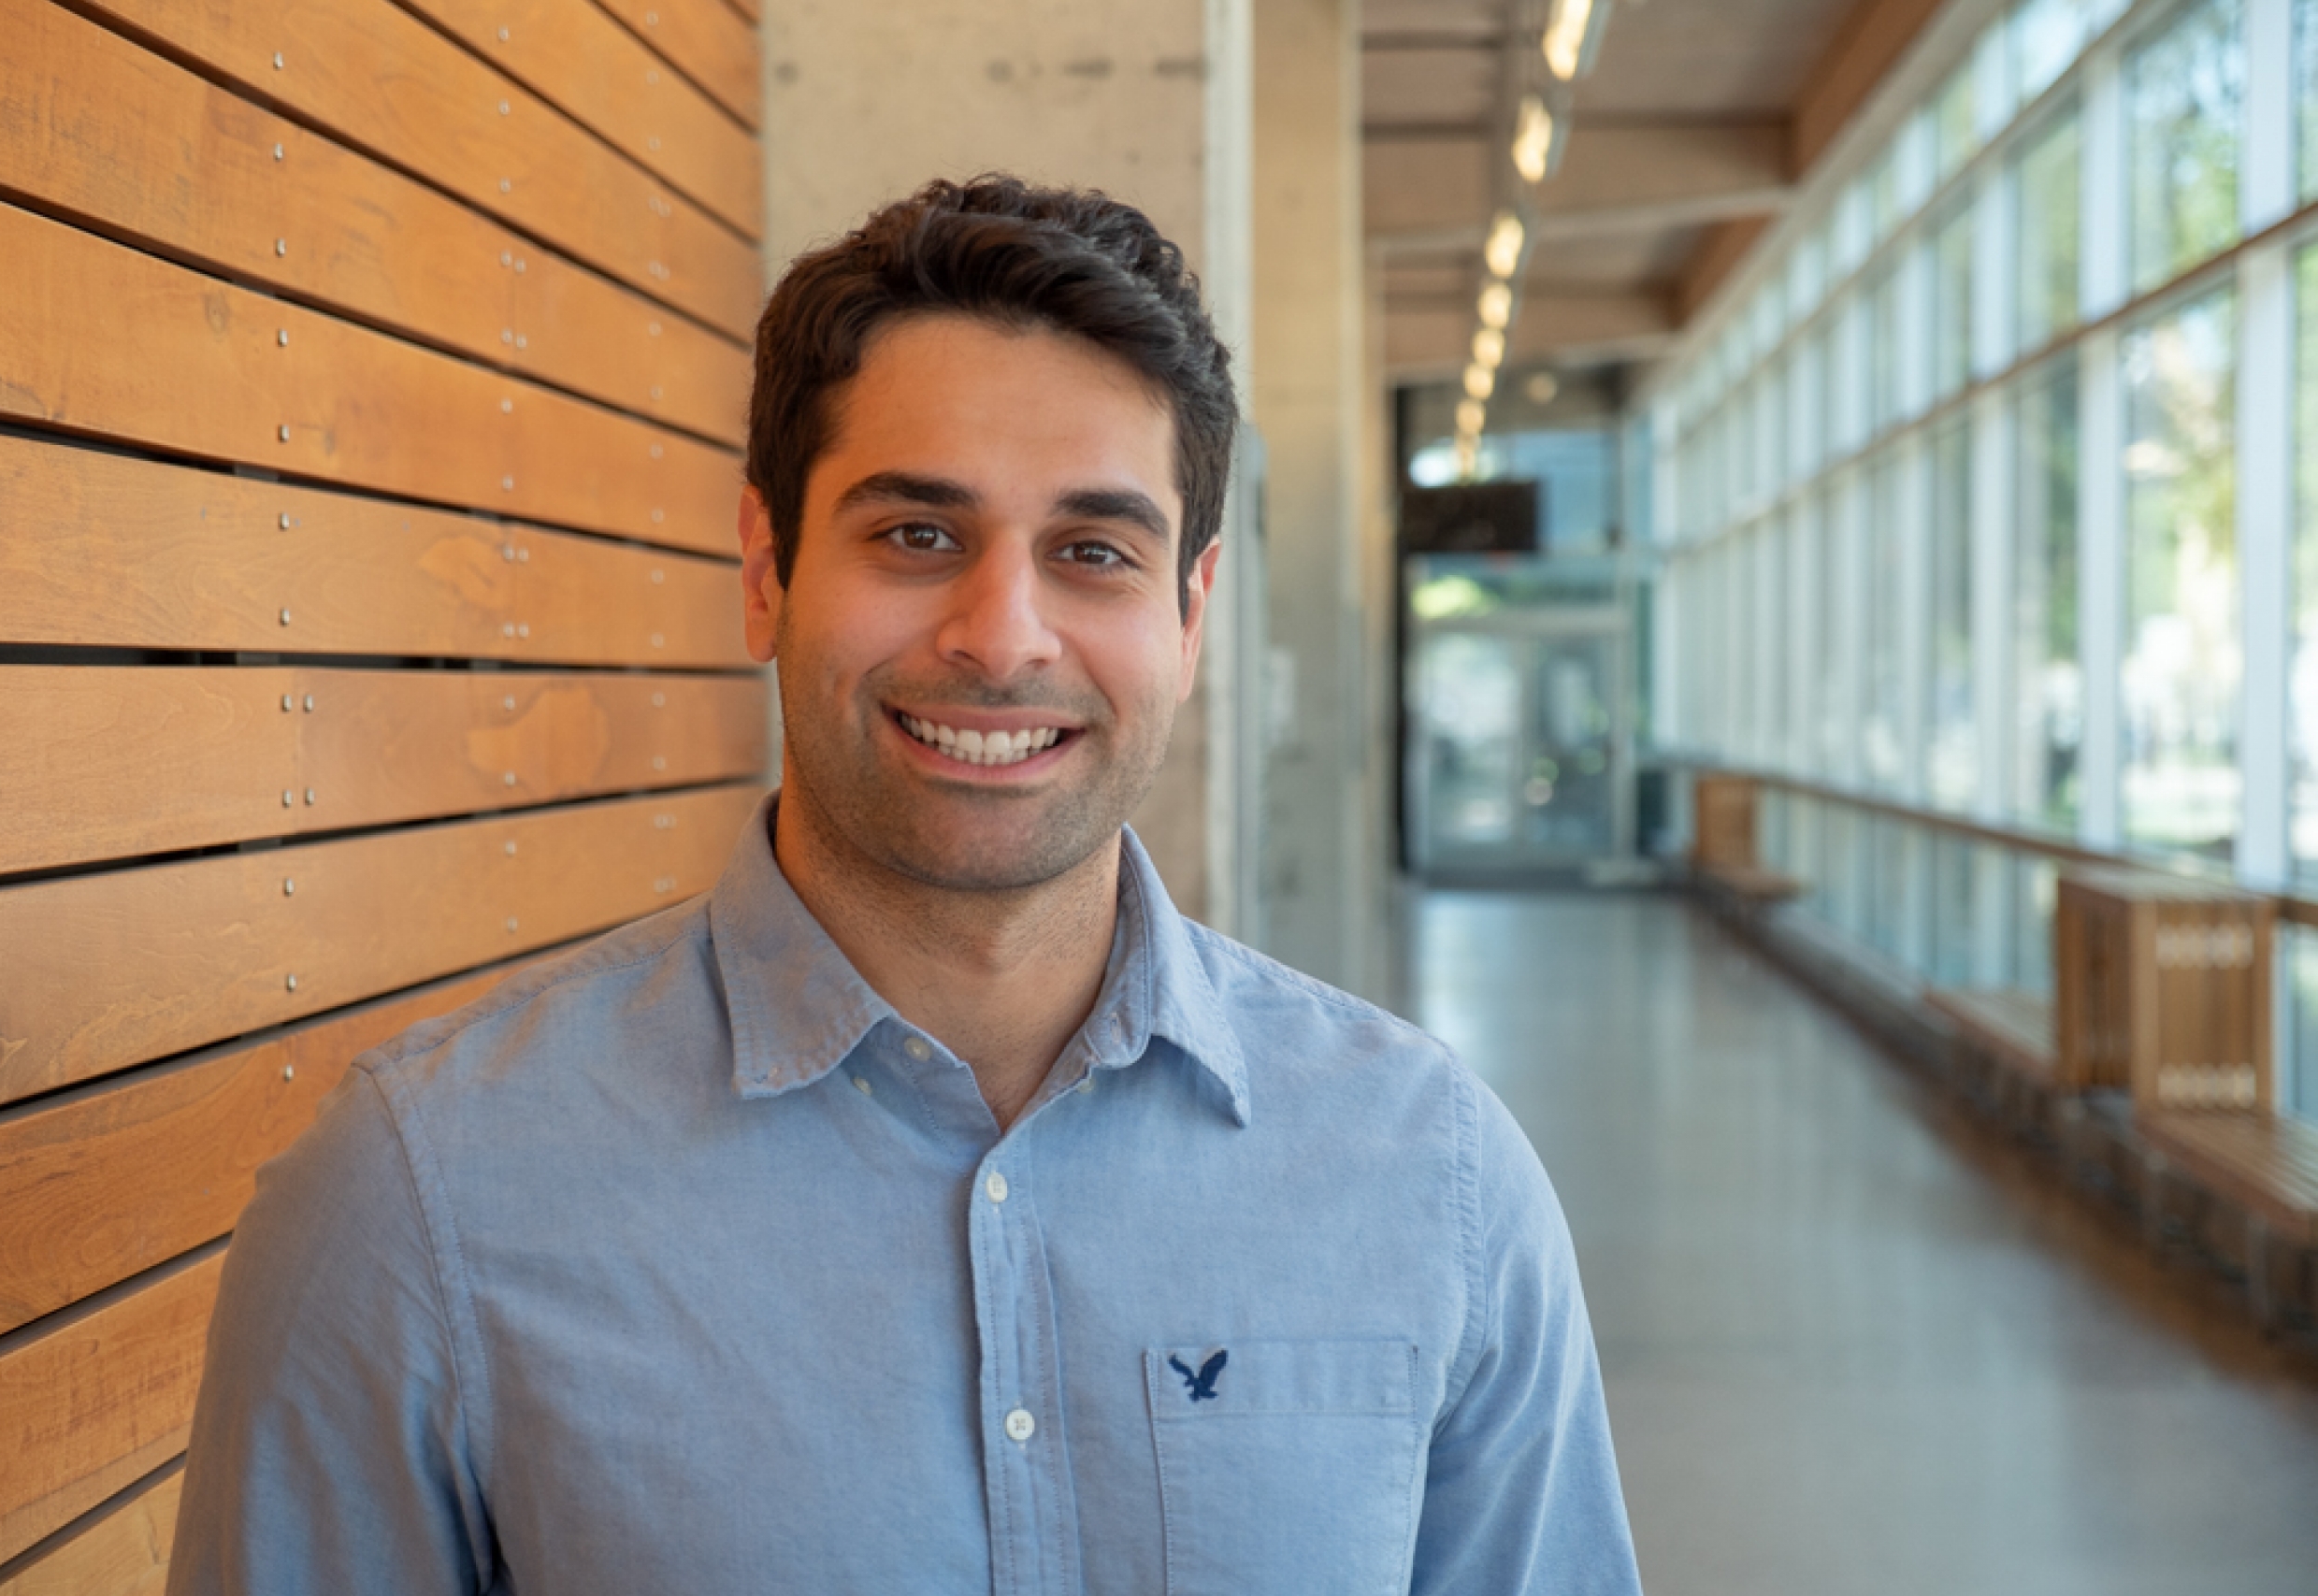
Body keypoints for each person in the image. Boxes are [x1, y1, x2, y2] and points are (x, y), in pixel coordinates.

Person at [169, 175, 1642, 1596]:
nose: (1003, 636)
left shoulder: (1431, 1176)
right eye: (916, 535)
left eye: (1092, 551)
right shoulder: (423, 1199)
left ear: (1188, 616)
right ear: (766, 570)